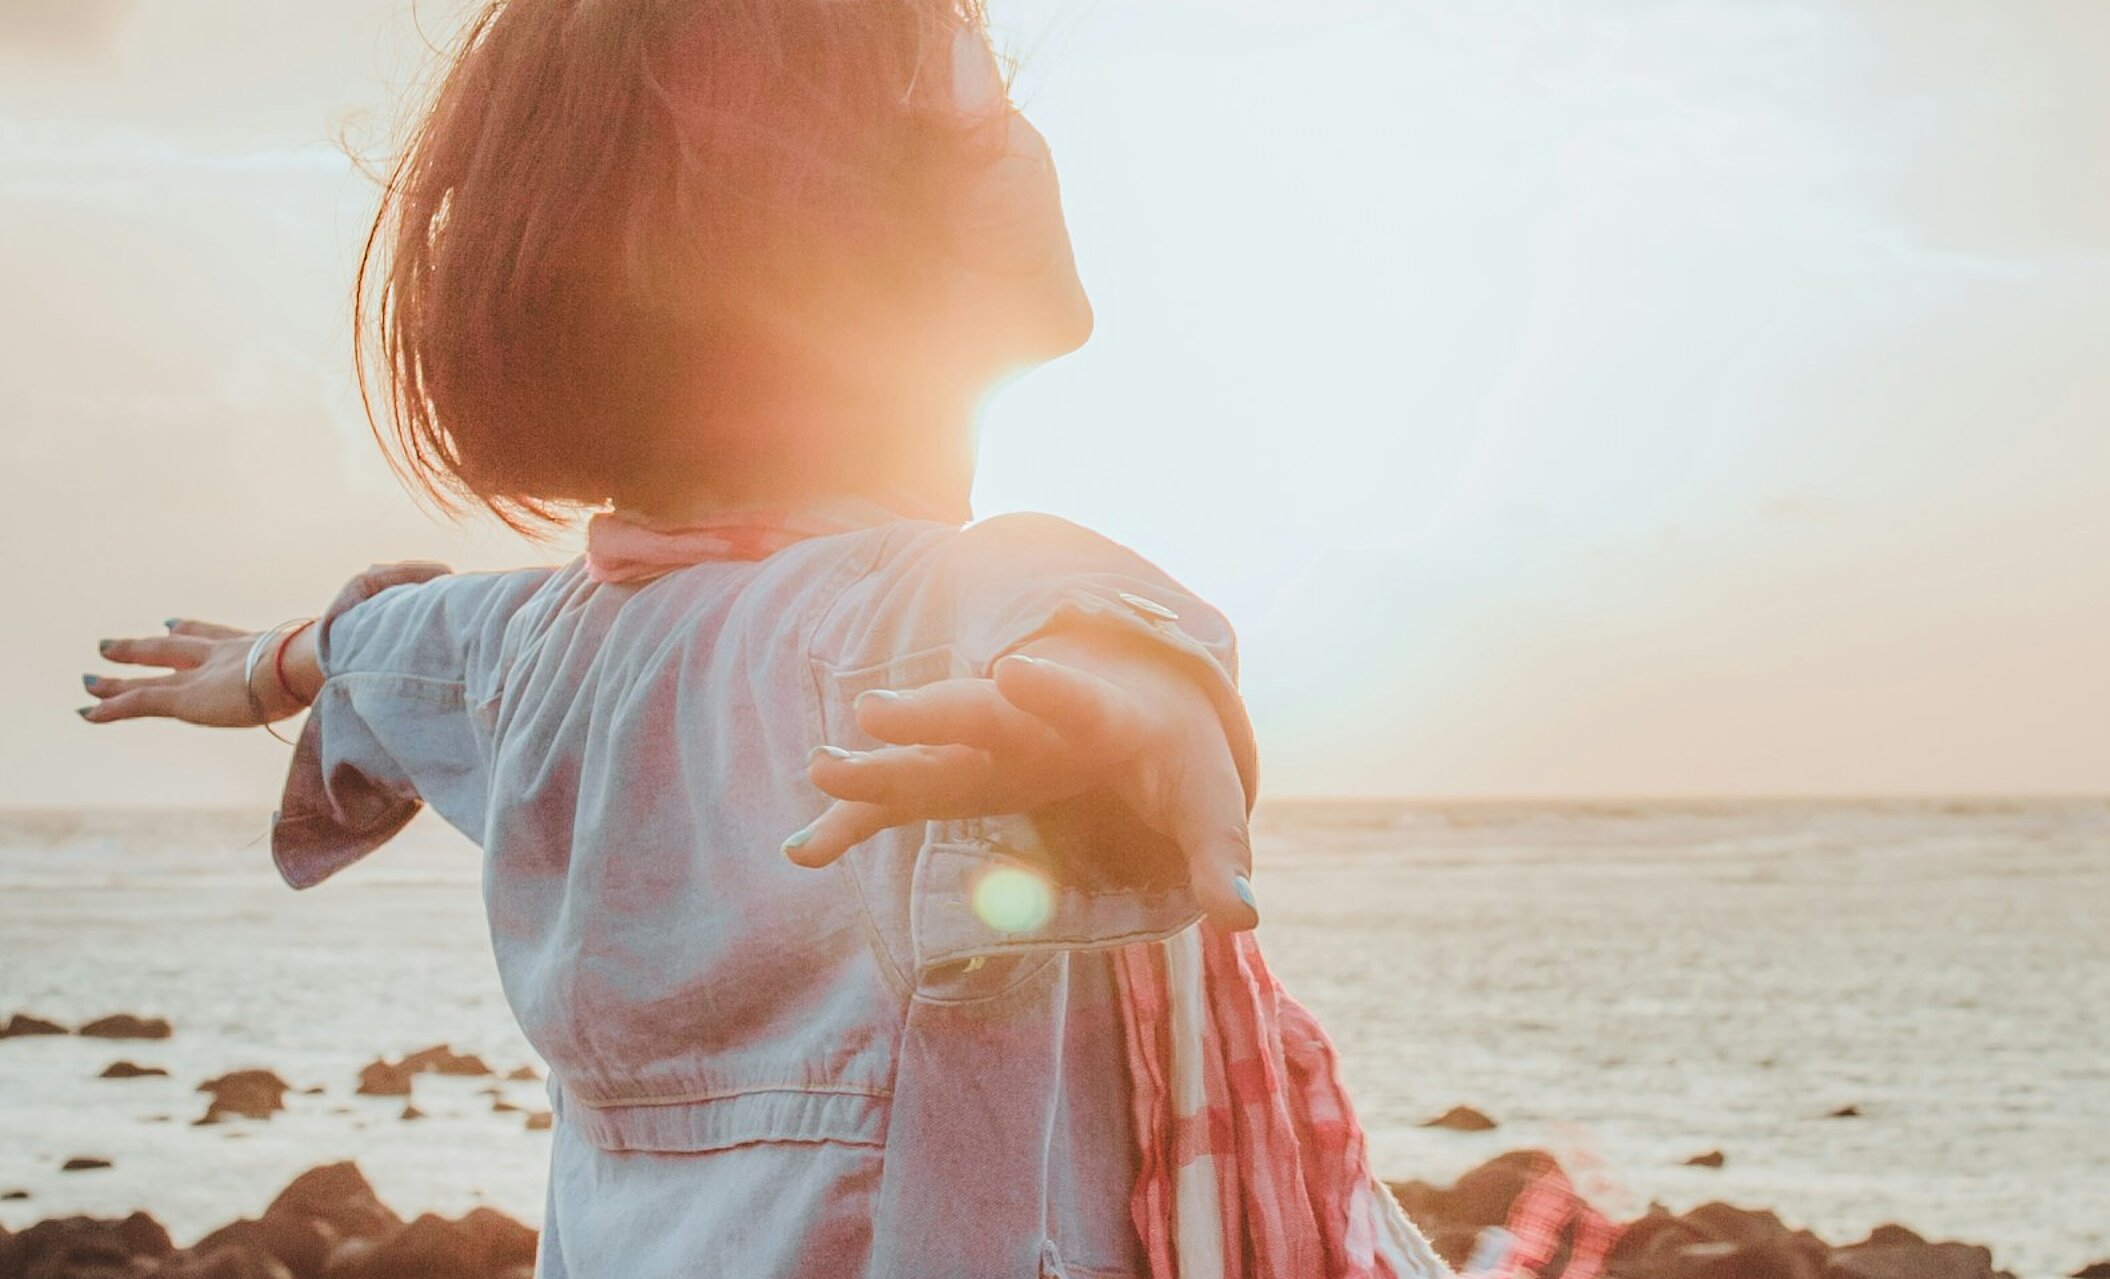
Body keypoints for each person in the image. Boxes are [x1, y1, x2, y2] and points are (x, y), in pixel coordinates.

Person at [77, 2, 1444, 1275]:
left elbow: (382, 645)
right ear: (837, 236)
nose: (1023, 134)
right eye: (977, 112)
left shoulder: (534, 649)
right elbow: (1059, 610)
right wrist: (1129, 703)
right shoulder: (904, 622)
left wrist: (270, 663)